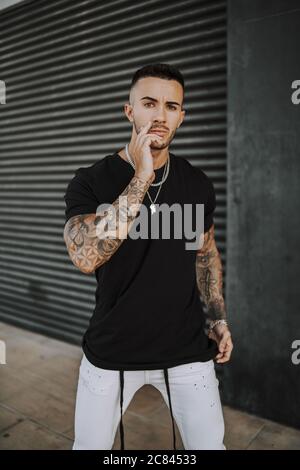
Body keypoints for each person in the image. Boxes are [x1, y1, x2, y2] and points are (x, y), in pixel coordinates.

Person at [63, 63, 233, 450]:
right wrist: (141, 177)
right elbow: (85, 257)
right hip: (112, 349)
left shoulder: (198, 182)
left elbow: (205, 253)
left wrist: (218, 316)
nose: (160, 115)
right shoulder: (91, 180)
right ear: (129, 111)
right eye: (149, 103)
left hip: (187, 350)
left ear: (182, 117)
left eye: (172, 107)